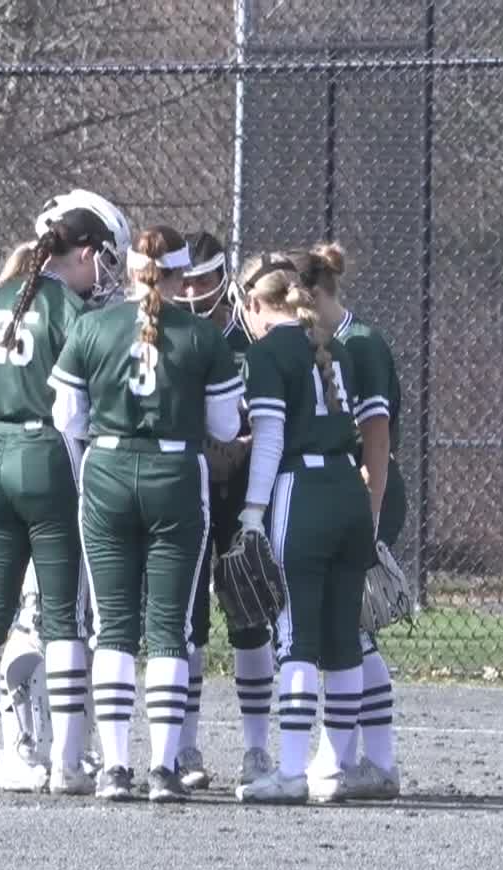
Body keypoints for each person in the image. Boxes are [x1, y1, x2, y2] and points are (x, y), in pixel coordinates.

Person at [0, 189, 130, 797]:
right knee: (62, 618)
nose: (106, 276)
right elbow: (84, 408)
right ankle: (66, 761)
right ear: (82, 252)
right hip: (46, 455)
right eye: (103, 259)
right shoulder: (73, 312)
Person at [49, 226, 243, 802]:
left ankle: (114, 768)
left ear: (130, 271)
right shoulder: (203, 337)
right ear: (182, 276)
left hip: (107, 472)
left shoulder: (92, 326)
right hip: (176, 476)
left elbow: (66, 417)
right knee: (170, 628)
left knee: (112, 626)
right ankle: (163, 767)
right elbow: (225, 426)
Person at [231, 253, 376, 804]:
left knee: (295, 639)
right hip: (348, 490)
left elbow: (270, 439)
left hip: (303, 492)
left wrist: (252, 512)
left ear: (256, 303)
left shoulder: (267, 352)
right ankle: (333, 769)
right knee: (344, 639)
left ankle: (292, 772)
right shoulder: (336, 348)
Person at [295, 242, 403, 799]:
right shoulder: (318, 341)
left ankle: (371, 760)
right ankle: (373, 761)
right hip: (339, 493)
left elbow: (377, 438)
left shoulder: (359, 343)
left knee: (351, 624)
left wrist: (373, 513)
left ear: (314, 293)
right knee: (350, 628)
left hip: (366, 490)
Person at [170, 231, 273, 790]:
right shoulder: (167, 333)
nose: (191, 292)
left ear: (222, 278)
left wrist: (241, 449)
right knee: (185, 619)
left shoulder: (246, 338)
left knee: (249, 610)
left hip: (240, 489)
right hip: (186, 483)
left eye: (202, 280)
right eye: (184, 281)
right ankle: (184, 747)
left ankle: (256, 750)